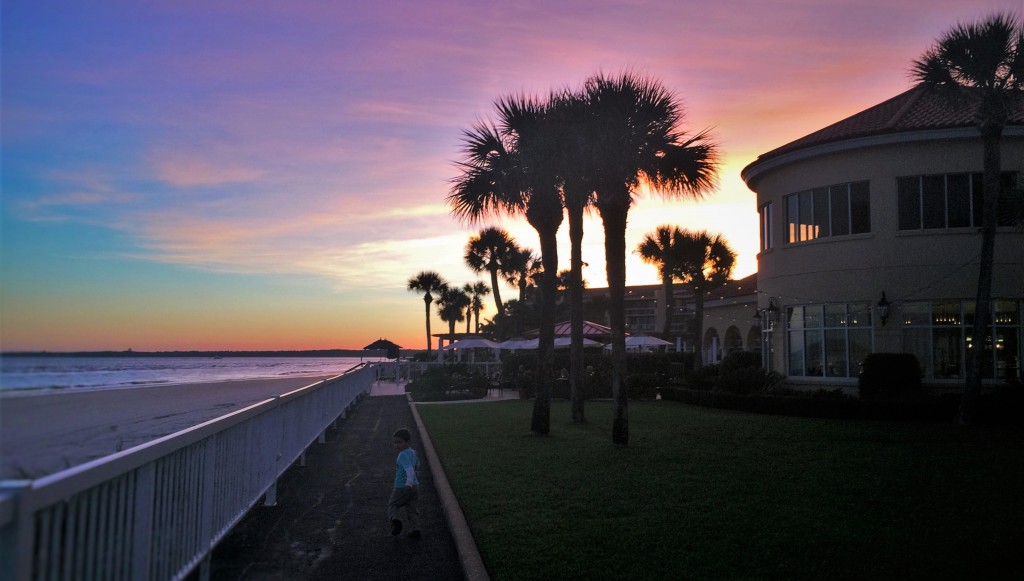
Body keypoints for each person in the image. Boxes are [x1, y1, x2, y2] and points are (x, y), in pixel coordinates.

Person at [388, 428, 420, 539]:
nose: (397, 445)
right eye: (395, 442)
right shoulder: (413, 452)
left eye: (400, 442)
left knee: (393, 505)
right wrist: (412, 482)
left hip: (402, 486)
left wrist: (408, 483)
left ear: (408, 442)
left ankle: (395, 521)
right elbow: (416, 466)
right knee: (412, 510)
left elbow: (410, 469)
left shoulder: (402, 455)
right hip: (415, 486)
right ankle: (415, 530)